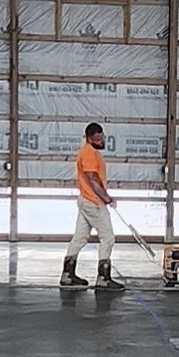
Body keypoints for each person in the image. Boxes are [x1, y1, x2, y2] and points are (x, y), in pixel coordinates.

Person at [63, 120, 124, 290]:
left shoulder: (89, 152)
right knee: (108, 237)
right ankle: (103, 278)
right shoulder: (89, 153)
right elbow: (92, 178)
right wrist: (107, 198)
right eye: (97, 139)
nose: (101, 141)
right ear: (89, 138)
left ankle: (67, 274)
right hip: (93, 202)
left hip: (85, 201)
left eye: (101, 138)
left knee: (80, 237)